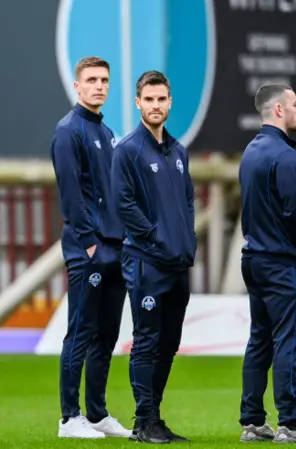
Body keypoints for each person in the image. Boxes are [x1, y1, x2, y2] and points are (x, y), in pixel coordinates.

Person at [237, 84, 296, 444]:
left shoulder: (250, 152)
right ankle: (290, 422)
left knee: (259, 339)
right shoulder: (285, 156)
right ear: (278, 110)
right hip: (282, 262)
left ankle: (252, 421)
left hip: (254, 259)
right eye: (295, 104)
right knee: (288, 338)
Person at [111, 70, 196, 444]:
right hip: (146, 260)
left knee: (169, 342)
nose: (156, 106)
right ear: (137, 103)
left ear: (170, 102)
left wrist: (186, 238)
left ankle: (153, 418)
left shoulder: (178, 152)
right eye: (149, 99)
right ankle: (143, 421)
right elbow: (123, 204)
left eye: (161, 99)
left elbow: (189, 200)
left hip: (177, 262)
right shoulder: (127, 149)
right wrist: (155, 237)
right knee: (146, 339)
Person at [50, 56, 131, 439]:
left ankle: (97, 413)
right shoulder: (68, 131)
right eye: (92, 80)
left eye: (104, 80)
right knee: (80, 332)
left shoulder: (107, 132)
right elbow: (70, 196)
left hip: (116, 248)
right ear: (78, 86)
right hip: (90, 250)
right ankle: (69, 418)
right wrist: (89, 245)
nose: (99, 85)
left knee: (107, 336)